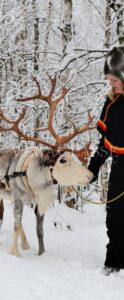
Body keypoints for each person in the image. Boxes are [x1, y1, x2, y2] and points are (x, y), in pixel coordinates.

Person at [88, 46, 124, 276]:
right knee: (115, 215)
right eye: (109, 79)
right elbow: (105, 144)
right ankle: (115, 261)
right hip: (120, 167)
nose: (111, 83)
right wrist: (92, 168)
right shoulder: (110, 106)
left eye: (115, 79)